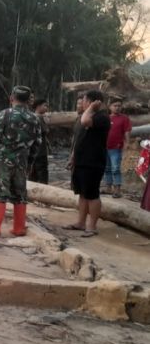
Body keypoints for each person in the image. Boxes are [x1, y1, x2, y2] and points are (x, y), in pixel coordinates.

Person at [0, 86, 41, 238]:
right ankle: (19, 227)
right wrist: (30, 162)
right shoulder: (34, 118)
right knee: (20, 193)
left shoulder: (5, 114)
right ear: (28, 100)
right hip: (22, 162)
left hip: (3, 160)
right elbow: (37, 143)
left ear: (12, 97)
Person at [64, 90, 111, 237]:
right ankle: (80, 222)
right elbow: (79, 139)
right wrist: (73, 157)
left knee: (92, 194)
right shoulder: (84, 117)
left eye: (84, 101)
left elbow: (85, 122)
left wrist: (91, 108)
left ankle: (92, 226)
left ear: (92, 102)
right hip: (81, 160)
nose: (82, 104)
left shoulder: (102, 117)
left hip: (93, 162)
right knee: (82, 194)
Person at [104, 97, 132, 198]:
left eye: (119, 106)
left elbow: (127, 131)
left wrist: (127, 143)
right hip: (104, 147)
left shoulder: (124, 118)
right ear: (109, 107)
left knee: (115, 168)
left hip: (116, 148)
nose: (117, 108)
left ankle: (117, 190)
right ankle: (108, 187)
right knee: (106, 168)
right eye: (115, 106)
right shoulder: (106, 118)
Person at [28, 99, 50, 184]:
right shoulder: (39, 118)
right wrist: (47, 122)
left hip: (32, 152)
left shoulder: (31, 116)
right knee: (42, 176)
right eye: (45, 105)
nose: (46, 108)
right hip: (41, 152)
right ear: (38, 106)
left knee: (32, 175)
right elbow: (46, 131)